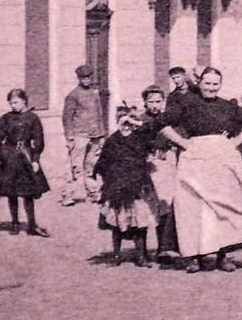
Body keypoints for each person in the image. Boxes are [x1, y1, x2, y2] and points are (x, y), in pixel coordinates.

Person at [158, 66, 242, 273]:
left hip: (222, 159)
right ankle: (194, 257)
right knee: (192, 207)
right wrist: (183, 143)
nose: (211, 88)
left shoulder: (228, 106)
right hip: (194, 159)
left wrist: (233, 143)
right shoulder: (186, 104)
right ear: (199, 83)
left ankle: (222, 256)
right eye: (207, 83)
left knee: (222, 206)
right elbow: (162, 124)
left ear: (220, 85)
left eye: (215, 84)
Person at [93, 103, 161, 268]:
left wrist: (138, 126)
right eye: (122, 123)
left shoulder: (140, 139)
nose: (126, 127)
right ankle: (116, 255)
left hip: (137, 186)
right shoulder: (112, 141)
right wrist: (99, 177)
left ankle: (141, 255)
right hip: (117, 188)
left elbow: (152, 142)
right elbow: (103, 161)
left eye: (129, 124)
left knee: (140, 224)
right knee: (117, 224)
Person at [0, 88, 50, 237]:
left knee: (28, 193)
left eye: (16, 102)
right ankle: (15, 223)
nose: (13, 106)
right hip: (10, 159)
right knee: (11, 193)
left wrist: (35, 159)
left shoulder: (33, 118)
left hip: (26, 158)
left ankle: (31, 224)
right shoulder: (5, 118)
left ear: (24, 101)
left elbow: (39, 140)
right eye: (10, 103)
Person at [139, 85, 179, 257]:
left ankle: (164, 249)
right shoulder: (140, 120)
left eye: (158, 101)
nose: (155, 105)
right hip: (147, 164)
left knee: (166, 205)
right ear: (145, 103)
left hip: (165, 164)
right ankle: (142, 251)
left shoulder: (167, 120)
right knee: (147, 207)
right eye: (151, 102)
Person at [60, 63, 107, 205]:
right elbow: (66, 117)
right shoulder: (73, 95)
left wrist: (102, 134)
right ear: (79, 78)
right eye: (83, 78)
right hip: (79, 135)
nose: (86, 80)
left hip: (95, 135)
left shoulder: (94, 94)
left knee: (91, 166)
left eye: (88, 78)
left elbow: (99, 114)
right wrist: (69, 137)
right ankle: (67, 195)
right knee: (75, 167)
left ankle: (93, 193)